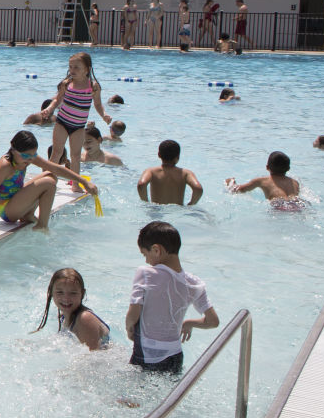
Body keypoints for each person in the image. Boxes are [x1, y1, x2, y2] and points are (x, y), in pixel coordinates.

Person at [124, 221, 220, 374]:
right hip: (175, 356)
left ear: (156, 250)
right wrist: (189, 323)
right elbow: (213, 322)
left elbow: (134, 312)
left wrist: (129, 328)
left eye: (145, 254)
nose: (146, 261)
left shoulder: (146, 273)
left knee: (128, 398)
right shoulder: (194, 283)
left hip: (148, 354)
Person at [0, 129, 93, 231]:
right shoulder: (5, 166)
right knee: (49, 183)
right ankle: (42, 225)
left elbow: (55, 168)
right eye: (26, 156)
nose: (29, 160)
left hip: (14, 200)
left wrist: (84, 181)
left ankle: (28, 215)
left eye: (33, 155)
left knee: (51, 174)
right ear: (13, 150)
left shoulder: (27, 157)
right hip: (6, 210)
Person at [38, 52, 111, 169]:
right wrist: (49, 108)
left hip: (79, 127)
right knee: (56, 153)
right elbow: (57, 100)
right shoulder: (67, 84)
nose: (72, 70)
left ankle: (75, 185)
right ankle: (47, 178)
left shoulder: (93, 87)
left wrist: (104, 115)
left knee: (75, 156)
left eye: (76, 67)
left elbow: (97, 104)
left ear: (87, 69)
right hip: (62, 123)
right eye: (70, 67)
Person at [33, 267, 109, 350]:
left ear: (82, 294)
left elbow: (95, 356)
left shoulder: (85, 319)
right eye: (60, 292)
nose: (66, 298)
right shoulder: (63, 318)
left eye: (73, 293)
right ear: (51, 292)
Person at [138, 139, 204, 205]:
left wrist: (146, 203)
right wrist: (191, 204)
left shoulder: (151, 171)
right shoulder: (186, 173)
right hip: (178, 212)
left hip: (157, 212)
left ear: (159, 154)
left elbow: (141, 184)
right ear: (178, 157)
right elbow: (198, 189)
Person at [227, 151, 303, 205]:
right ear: (288, 168)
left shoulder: (262, 181)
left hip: (279, 205)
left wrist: (231, 183)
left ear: (267, 167)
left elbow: (239, 190)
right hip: (298, 205)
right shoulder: (295, 182)